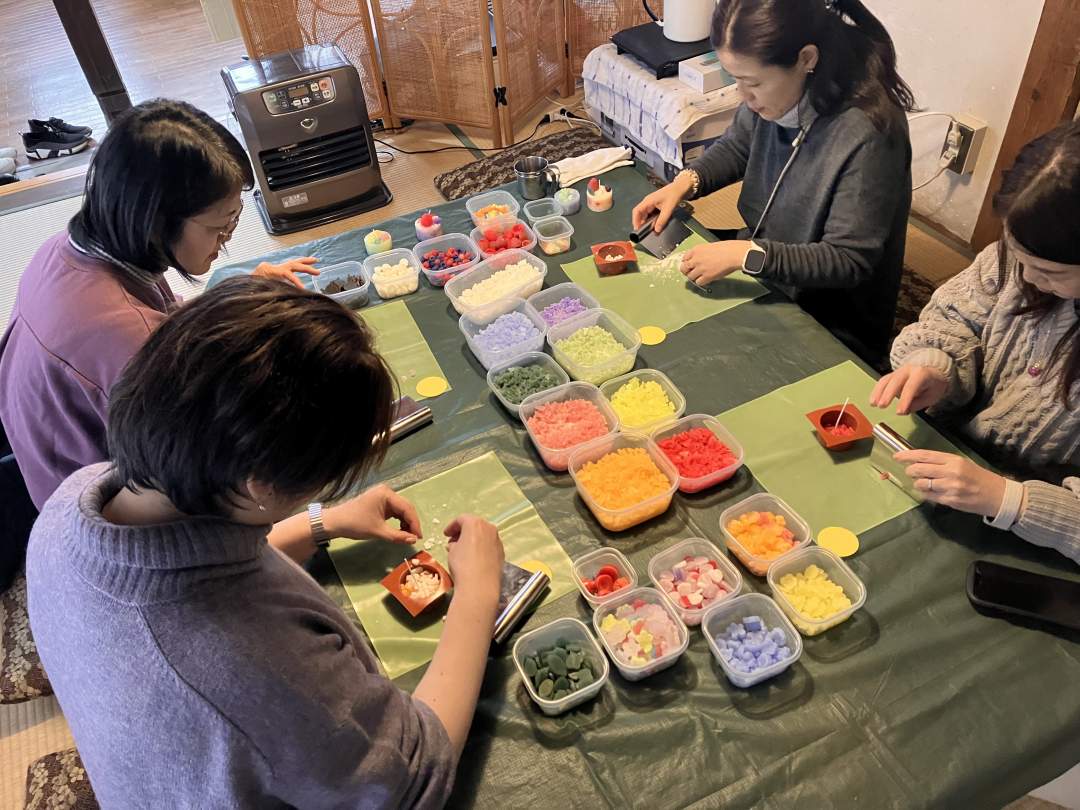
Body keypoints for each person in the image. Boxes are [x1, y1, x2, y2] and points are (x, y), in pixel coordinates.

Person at [26, 276, 506, 806]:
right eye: (321, 479)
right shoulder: (251, 665)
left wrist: (324, 521)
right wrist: (478, 598)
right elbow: (415, 777)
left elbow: (191, 563)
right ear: (260, 487)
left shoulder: (72, 500)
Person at [0, 99, 323, 581]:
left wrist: (239, 290)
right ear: (156, 219)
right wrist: (316, 520)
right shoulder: (131, 341)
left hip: (37, 451)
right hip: (91, 512)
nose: (227, 242)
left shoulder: (74, 247)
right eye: (219, 227)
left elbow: (161, 322)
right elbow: (204, 481)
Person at [632, 0, 915, 363]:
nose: (743, 97)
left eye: (752, 83)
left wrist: (744, 255)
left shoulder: (870, 133)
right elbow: (739, 145)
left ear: (806, 59)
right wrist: (685, 183)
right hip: (764, 264)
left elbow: (848, 260)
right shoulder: (781, 92)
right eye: (735, 80)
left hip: (829, 316)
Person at [871, 120, 1080, 565]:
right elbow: (954, 317)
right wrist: (936, 366)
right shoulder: (1016, 256)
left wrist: (1010, 501)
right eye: (1017, 256)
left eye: (1051, 272)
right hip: (960, 462)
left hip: (1040, 532)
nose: (1025, 278)